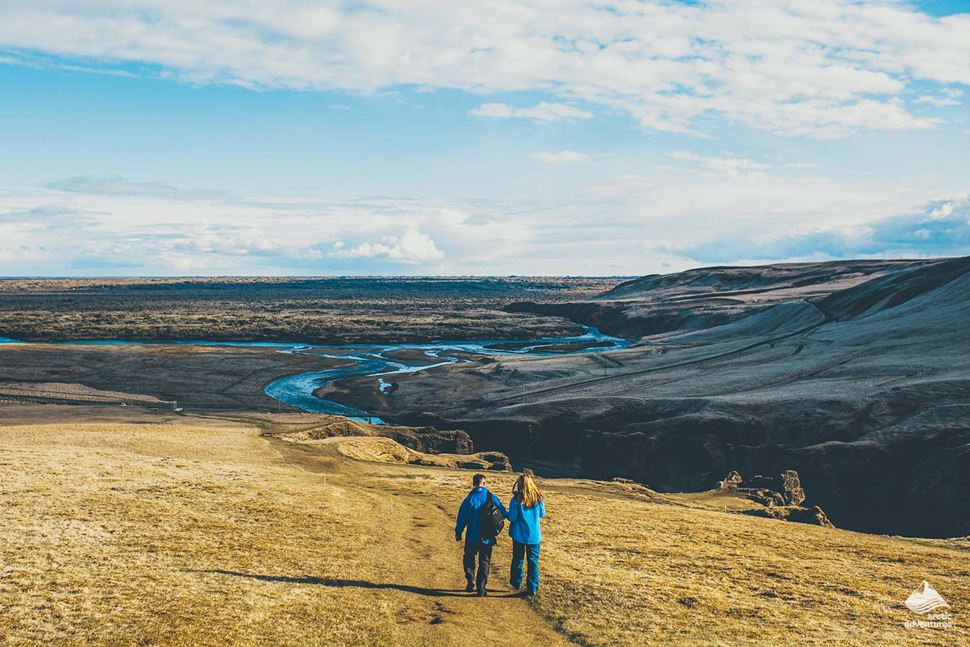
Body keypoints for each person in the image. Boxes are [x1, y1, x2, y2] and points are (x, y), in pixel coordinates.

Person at [455, 473, 508, 596]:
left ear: (473, 484)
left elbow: (462, 518)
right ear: (484, 483)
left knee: (469, 556)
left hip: (472, 536)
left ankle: (470, 577)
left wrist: (458, 532)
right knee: (484, 560)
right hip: (487, 537)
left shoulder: (468, 500)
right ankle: (481, 587)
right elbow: (503, 513)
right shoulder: (492, 497)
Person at [508, 469, 545, 596]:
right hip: (534, 536)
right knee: (533, 561)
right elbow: (542, 514)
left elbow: (512, 518)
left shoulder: (516, 500)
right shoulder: (538, 499)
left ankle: (516, 581)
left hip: (518, 535)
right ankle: (532, 587)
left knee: (518, 558)